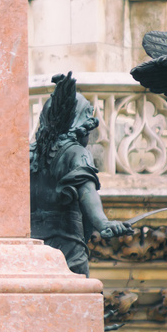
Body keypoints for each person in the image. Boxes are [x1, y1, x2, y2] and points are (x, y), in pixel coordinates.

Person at [30, 72, 133, 276]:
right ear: (79, 125)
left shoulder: (29, 155)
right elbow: (87, 192)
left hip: (30, 249)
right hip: (67, 251)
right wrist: (103, 223)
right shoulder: (77, 153)